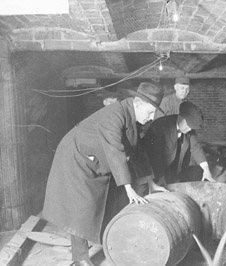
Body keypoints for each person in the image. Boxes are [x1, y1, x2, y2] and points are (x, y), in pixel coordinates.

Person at [42, 82, 165, 266]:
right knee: (81, 207)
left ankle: (108, 238)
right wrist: (129, 188)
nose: (151, 117)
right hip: (76, 156)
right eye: (149, 112)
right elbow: (116, 153)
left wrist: (151, 182)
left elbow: (137, 151)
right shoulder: (114, 115)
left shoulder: (134, 116)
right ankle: (80, 258)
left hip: (95, 158)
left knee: (104, 200)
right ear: (138, 103)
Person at [143, 101, 215, 188]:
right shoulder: (160, 126)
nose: (189, 130)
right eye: (188, 126)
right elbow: (155, 155)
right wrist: (160, 177)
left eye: (191, 128)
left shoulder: (189, 128)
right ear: (180, 118)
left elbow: (195, 147)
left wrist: (206, 170)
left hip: (172, 169)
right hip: (150, 170)